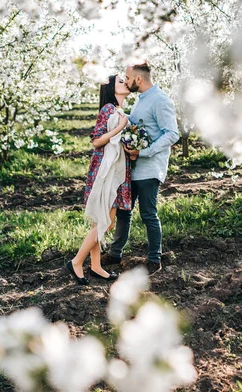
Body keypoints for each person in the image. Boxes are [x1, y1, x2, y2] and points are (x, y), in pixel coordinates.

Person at [101, 61, 180, 275]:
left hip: (149, 168)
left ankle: (155, 259)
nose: (126, 82)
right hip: (132, 169)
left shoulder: (160, 100)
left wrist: (144, 152)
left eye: (127, 78)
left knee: (148, 214)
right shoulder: (140, 101)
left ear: (138, 79)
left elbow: (172, 134)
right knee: (124, 212)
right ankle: (115, 253)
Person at [65, 75, 131, 285]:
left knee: (99, 220)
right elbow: (96, 141)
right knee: (107, 222)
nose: (126, 82)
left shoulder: (119, 111)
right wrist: (120, 128)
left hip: (115, 168)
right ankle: (76, 262)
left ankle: (95, 267)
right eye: (121, 81)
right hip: (105, 170)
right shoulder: (108, 110)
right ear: (112, 88)